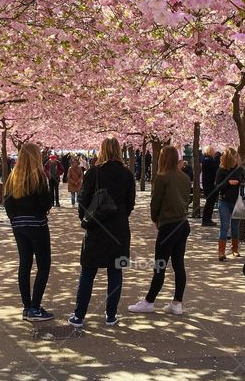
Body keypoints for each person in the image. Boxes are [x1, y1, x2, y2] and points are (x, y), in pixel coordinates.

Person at [69, 137, 136, 328]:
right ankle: (111, 315)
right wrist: (121, 214)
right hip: (119, 229)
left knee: (88, 270)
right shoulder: (127, 174)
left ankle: (79, 315)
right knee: (115, 271)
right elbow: (130, 203)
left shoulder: (94, 172)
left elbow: (82, 200)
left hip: (97, 228)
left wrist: (86, 218)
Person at [128, 145, 191, 315]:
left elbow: (155, 204)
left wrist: (155, 219)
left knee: (160, 264)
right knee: (179, 264)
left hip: (168, 224)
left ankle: (149, 301)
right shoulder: (184, 177)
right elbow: (187, 199)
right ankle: (177, 302)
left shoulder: (161, 177)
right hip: (183, 223)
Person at [3, 143, 54, 322]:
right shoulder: (39, 177)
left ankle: (27, 307)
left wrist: (15, 219)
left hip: (19, 226)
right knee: (43, 265)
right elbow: (46, 203)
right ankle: (35, 307)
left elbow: (7, 202)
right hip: (37, 225)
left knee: (25, 264)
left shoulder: (12, 177)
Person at [210, 147, 245, 260]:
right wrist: (228, 182)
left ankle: (235, 249)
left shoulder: (240, 170)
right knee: (224, 227)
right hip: (224, 201)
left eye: (236, 158)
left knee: (235, 227)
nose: (235, 160)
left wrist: (241, 183)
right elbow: (217, 187)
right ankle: (221, 252)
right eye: (233, 158)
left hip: (237, 202)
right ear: (227, 159)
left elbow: (244, 182)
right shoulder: (221, 170)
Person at [200, 146, 220, 226]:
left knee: (210, 202)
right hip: (210, 184)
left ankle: (207, 219)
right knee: (210, 202)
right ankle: (206, 220)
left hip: (207, 183)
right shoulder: (209, 160)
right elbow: (215, 168)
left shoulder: (205, 159)